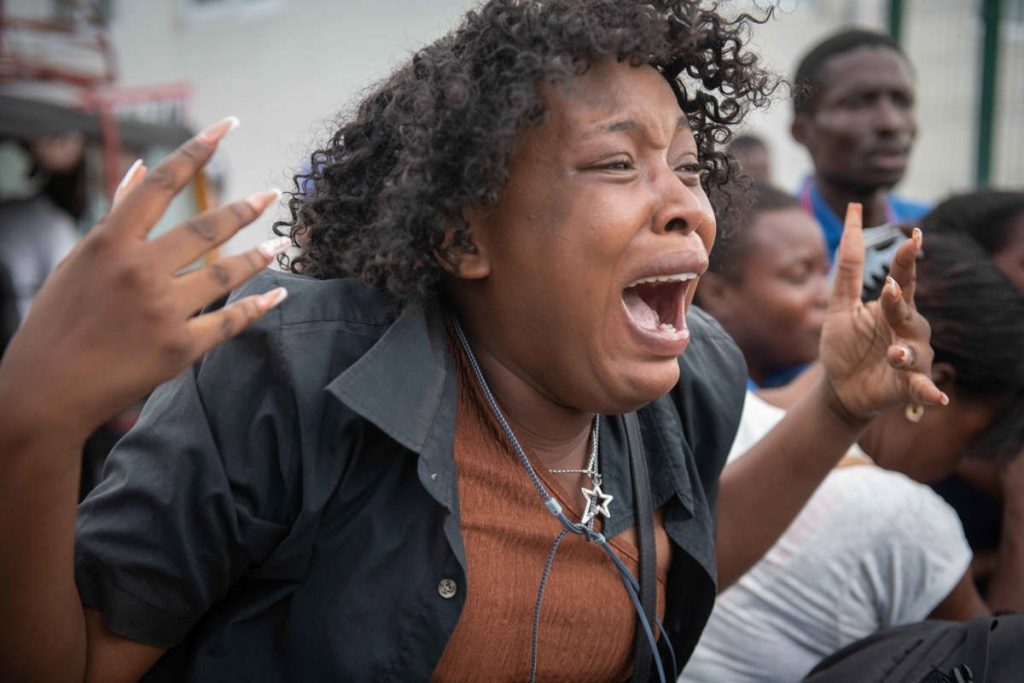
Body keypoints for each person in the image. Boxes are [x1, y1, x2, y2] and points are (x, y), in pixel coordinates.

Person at [0, 2, 946, 681]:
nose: (687, 209)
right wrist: (32, 423)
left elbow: (660, 556)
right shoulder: (288, 370)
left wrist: (831, 409)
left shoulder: (695, 370)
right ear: (463, 235)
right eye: (618, 163)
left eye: (690, 169)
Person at [682, 232, 1024, 683]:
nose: (957, 466)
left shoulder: (714, 409)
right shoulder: (908, 517)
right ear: (934, 387)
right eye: (971, 443)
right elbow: (1001, 660)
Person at [791, 28, 929, 292]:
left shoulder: (932, 231)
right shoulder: (769, 245)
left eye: (902, 101)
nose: (890, 123)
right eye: (857, 103)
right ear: (802, 130)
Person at [694, 181, 828, 388]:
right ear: (717, 294)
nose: (827, 296)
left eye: (824, 272)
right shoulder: (696, 395)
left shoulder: (790, 371)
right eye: (799, 276)